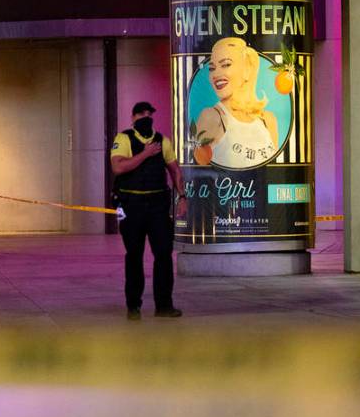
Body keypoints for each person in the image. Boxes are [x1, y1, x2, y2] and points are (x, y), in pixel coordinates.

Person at [110, 101, 186, 320]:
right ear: (133, 117)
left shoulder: (163, 141)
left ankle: (164, 306)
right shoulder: (123, 138)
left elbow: (175, 171)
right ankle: (133, 307)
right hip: (131, 207)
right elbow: (118, 167)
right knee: (133, 257)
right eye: (141, 114)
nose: (146, 117)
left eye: (149, 113)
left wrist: (182, 196)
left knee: (163, 256)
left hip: (157, 208)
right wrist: (145, 153)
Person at [193, 37, 278, 169]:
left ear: (247, 70)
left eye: (226, 64)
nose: (216, 74)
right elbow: (198, 169)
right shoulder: (212, 116)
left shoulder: (268, 120)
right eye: (212, 68)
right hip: (228, 189)